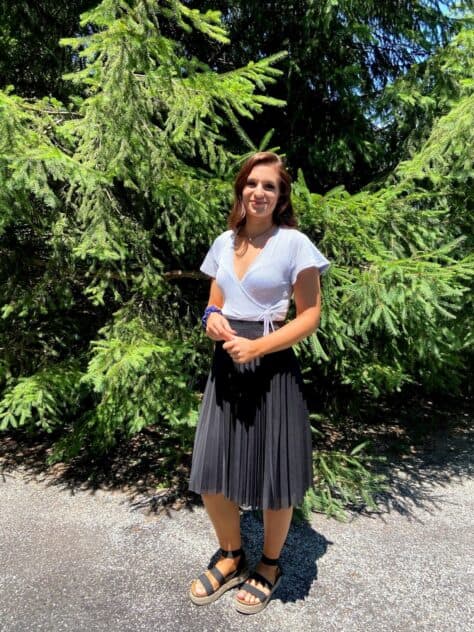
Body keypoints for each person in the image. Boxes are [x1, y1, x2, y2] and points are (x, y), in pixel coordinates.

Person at [188, 151, 330, 615]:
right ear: (241, 190)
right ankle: (231, 556)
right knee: (212, 471)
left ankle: (269, 565)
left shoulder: (294, 244)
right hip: (226, 364)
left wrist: (257, 348)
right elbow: (214, 301)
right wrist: (211, 319)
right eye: (252, 184)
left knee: (274, 476)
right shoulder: (224, 242)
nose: (259, 192)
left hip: (271, 368)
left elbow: (310, 315)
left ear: (280, 194)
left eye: (269, 186)